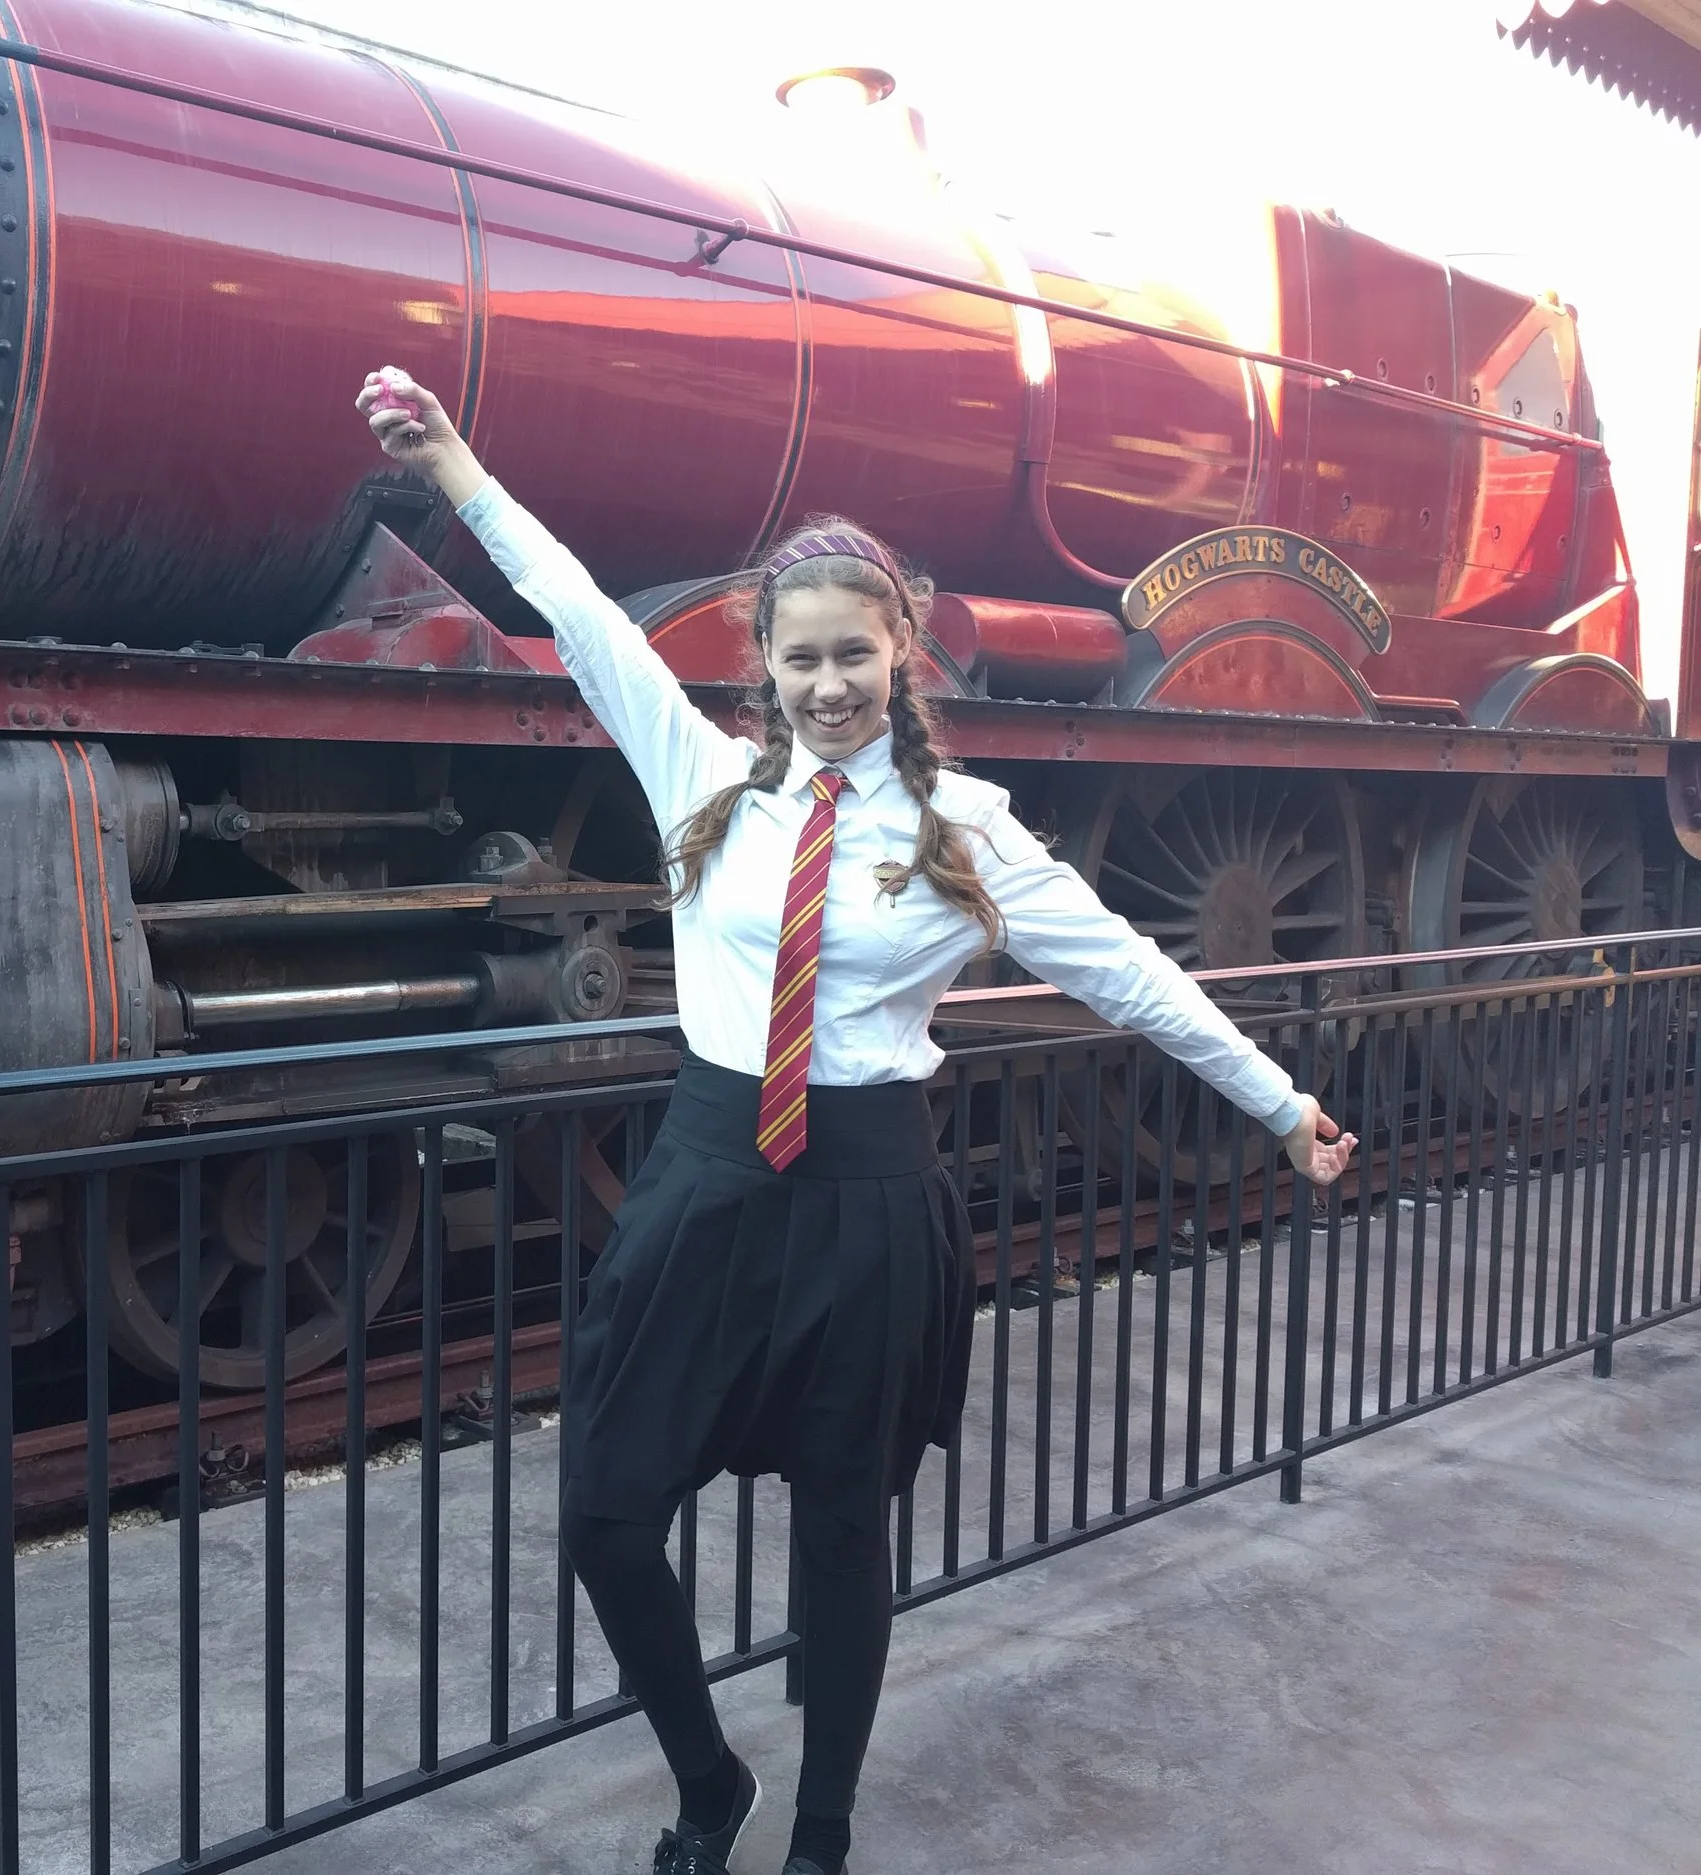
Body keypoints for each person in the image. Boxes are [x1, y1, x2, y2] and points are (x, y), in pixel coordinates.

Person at [355, 367, 1355, 1875]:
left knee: (840, 1538)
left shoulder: (967, 834)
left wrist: (1281, 1107)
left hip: (869, 1205)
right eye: (802, 657)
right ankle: (712, 1785)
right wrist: (455, 468)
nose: (829, 685)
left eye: (855, 655)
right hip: (707, 1183)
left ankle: (821, 1831)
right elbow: (578, 610)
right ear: (763, 662)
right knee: (610, 1514)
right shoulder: (701, 779)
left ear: (902, 656)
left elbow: (1133, 975)